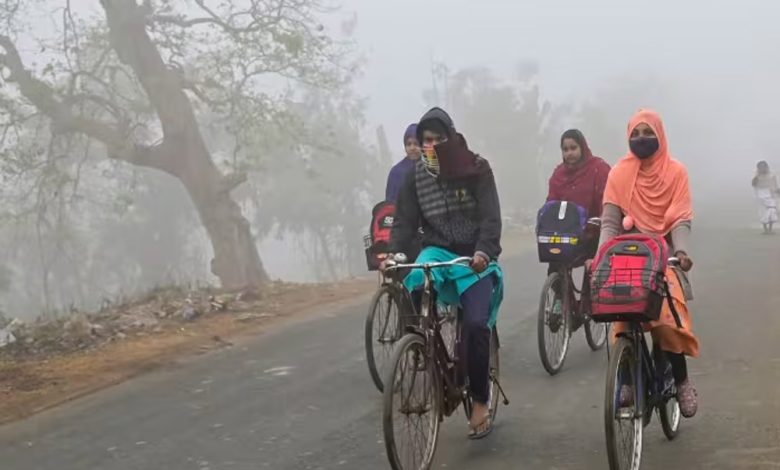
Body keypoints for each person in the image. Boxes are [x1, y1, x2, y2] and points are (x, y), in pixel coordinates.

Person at [383, 107, 503, 439]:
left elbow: (491, 219)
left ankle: (479, 398)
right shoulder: (414, 177)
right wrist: (394, 254)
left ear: (451, 138)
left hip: (473, 257)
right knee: (413, 285)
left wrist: (483, 251)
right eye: (425, 141)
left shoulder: (477, 169)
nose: (430, 146)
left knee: (476, 325)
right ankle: (422, 345)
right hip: (435, 251)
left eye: (437, 140)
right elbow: (405, 222)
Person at [593, 108, 700, 418]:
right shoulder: (618, 173)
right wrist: (601, 256)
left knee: (666, 322)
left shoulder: (676, 172)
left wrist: (680, 252)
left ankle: (681, 382)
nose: (641, 140)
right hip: (625, 257)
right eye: (635, 134)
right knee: (622, 315)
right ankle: (625, 378)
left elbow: (680, 218)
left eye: (648, 133)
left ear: (661, 135)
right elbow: (611, 223)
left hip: (662, 256)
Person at [385, 124, 421, 202]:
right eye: (409, 144)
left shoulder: (430, 169)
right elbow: (390, 203)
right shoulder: (396, 172)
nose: (412, 148)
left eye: (416, 144)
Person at [751, 160, 779, 234]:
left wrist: (777, 191)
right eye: (761, 168)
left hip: (770, 193)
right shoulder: (756, 175)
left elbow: (775, 184)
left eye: (764, 167)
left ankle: (770, 229)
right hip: (761, 194)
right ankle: (765, 229)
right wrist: (757, 177)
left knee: (772, 210)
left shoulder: (772, 174)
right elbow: (753, 184)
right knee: (763, 211)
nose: (763, 169)